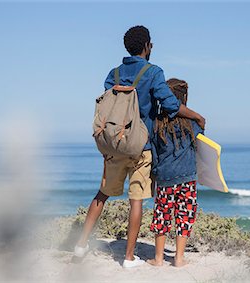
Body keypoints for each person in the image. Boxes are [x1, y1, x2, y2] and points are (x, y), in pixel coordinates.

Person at [74, 26, 205, 268]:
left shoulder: (112, 74)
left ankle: (80, 247)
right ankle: (128, 257)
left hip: (115, 145)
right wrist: (196, 116)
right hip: (140, 146)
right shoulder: (153, 72)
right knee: (136, 201)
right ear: (147, 46)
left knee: (102, 195)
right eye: (151, 44)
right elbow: (170, 105)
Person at [147, 78, 203, 267]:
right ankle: (179, 258)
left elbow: (154, 156)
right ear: (184, 99)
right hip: (187, 178)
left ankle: (159, 258)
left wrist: (154, 178)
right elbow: (203, 147)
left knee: (162, 216)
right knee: (185, 216)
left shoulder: (156, 125)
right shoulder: (192, 125)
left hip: (165, 179)